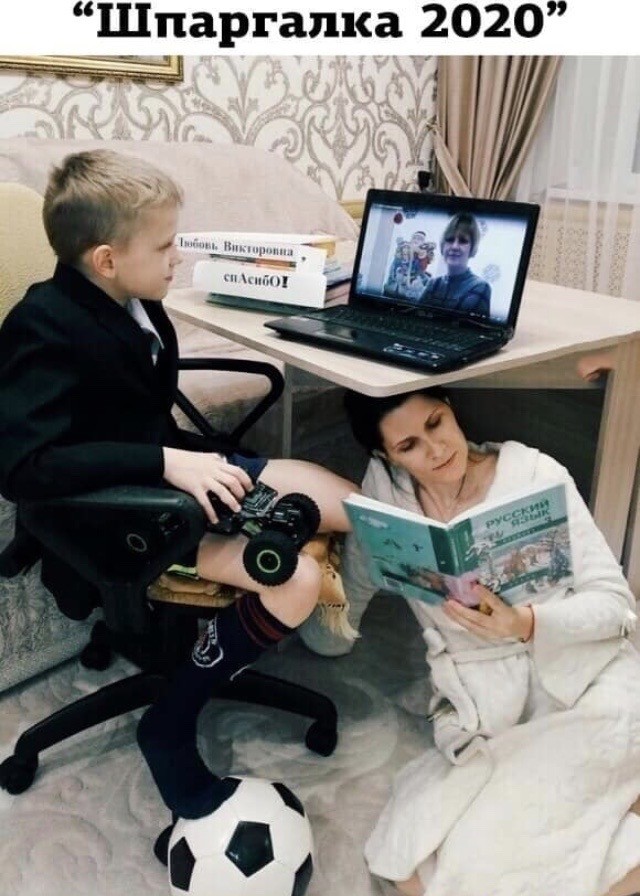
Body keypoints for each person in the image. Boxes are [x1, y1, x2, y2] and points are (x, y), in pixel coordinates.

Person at [0, 149, 358, 825]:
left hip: (178, 473)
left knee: (345, 500)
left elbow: (137, 405)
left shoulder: (136, 302)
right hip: (120, 513)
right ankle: (169, 721)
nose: (178, 256)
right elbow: (23, 468)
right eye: (165, 246)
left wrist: (183, 461)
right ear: (107, 259)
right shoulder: (42, 323)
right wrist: (161, 463)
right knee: (297, 581)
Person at [327, 387, 640, 896]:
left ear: (450, 408)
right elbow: (355, 584)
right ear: (386, 457)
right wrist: (323, 626)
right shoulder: (387, 500)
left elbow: (616, 606)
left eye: (436, 422)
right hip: (488, 703)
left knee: (512, 846)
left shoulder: (535, 474)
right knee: (413, 859)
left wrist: (527, 623)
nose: (436, 449)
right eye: (408, 445)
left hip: (589, 680)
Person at [420, 212, 491, 316]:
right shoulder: (433, 284)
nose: (454, 246)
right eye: (450, 240)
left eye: (463, 241)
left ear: (472, 248)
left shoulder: (480, 287)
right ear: (443, 245)